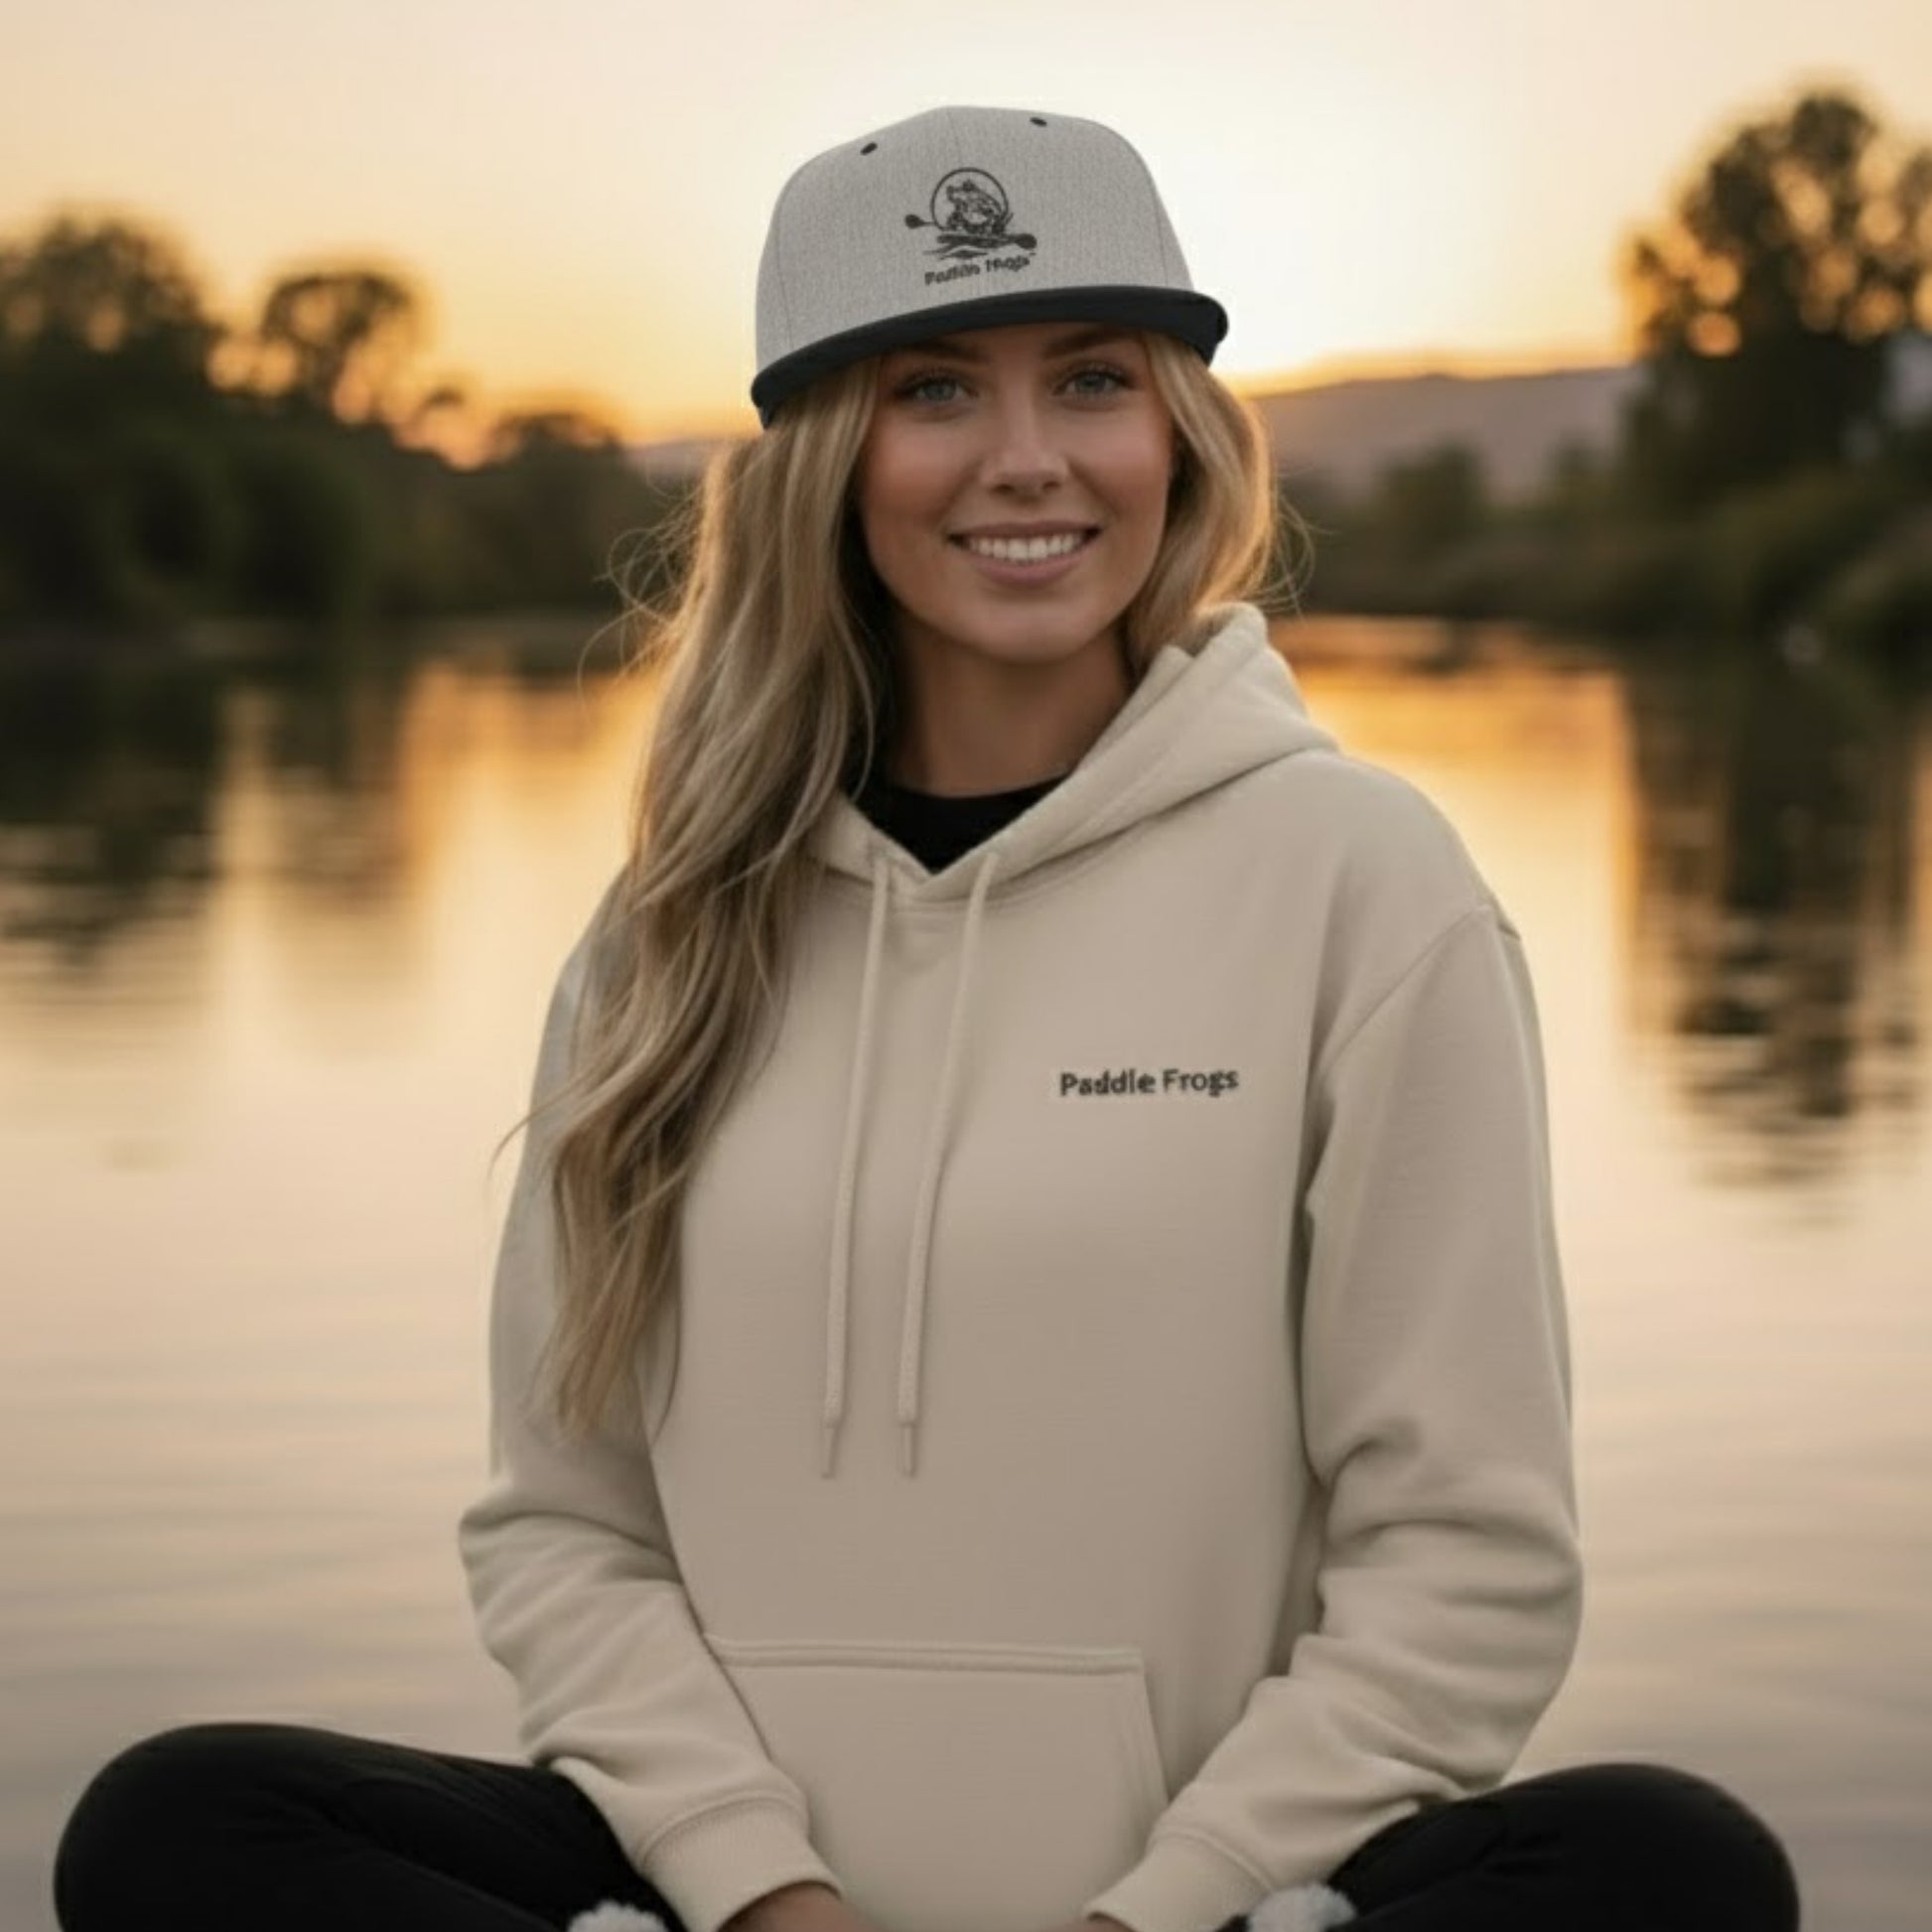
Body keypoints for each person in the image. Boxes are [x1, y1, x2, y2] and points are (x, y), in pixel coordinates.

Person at [52, 102, 1801, 1932]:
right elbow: (567, 1527)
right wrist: (759, 1892)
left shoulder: (1363, 879)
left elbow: (1464, 1556)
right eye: (938, 390)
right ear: (824, 453)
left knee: (1669, 1864)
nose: (1030, 459)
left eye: (1094, 381)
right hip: (734, 1902)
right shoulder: (669, 928)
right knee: (183, 1824)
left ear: (1179, 433)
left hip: (1200, 1899)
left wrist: (1170, 1903)